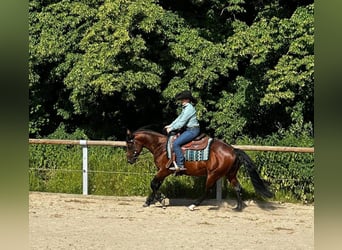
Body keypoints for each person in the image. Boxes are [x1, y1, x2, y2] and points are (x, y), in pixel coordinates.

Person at [164, 90, 200, 171]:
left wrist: (171, 129)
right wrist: (171, 125)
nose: (181, 101)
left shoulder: (189, 109)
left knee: (176, 143)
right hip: (189, 129)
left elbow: (181, 123)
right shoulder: (186, 108)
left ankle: (180, 164)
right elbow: (179, 119)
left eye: (183, 99)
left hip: (192, 130)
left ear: (187, 99)